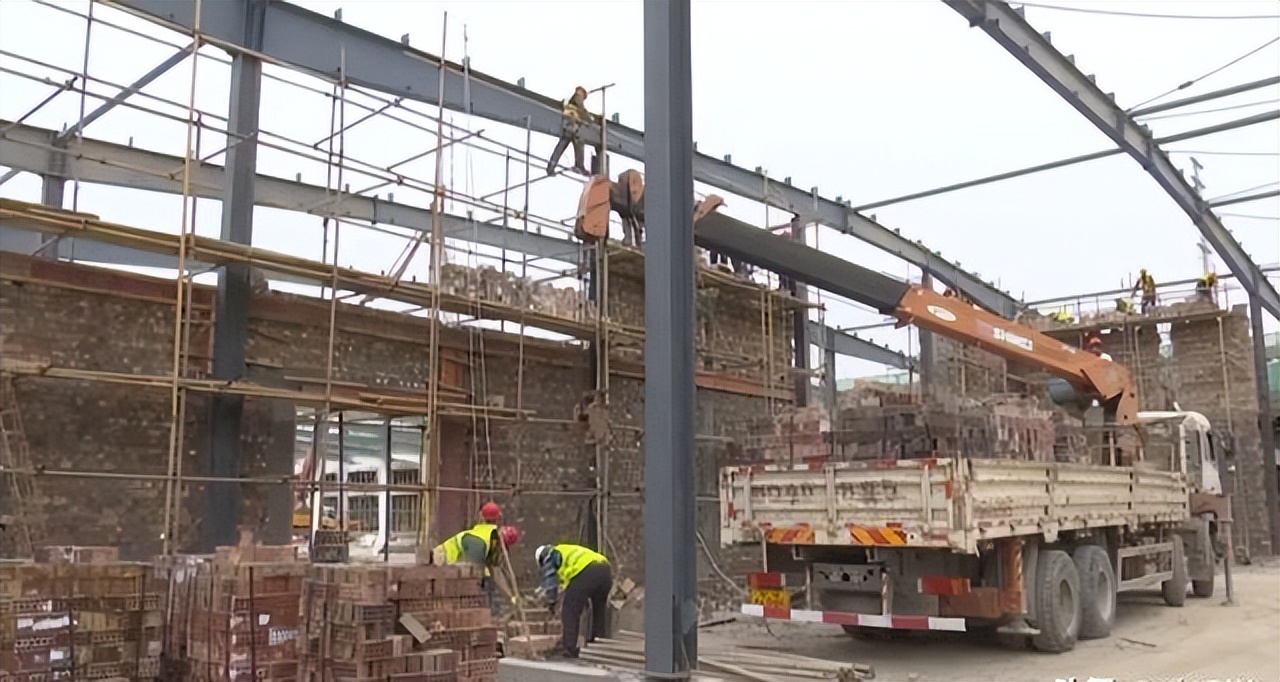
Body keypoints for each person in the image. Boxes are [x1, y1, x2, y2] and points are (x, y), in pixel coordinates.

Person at [534, 543, 612, 658]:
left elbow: (550, 581)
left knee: (569, 610)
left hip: (587, 570)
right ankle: (599, 644)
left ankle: (569, 648)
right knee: (598, 609)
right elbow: (573, 586)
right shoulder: (565, 550)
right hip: (605, 570)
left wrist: (551, 601)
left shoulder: (550, 555)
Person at [433, 523, 521, 615]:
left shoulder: (490, 545)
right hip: (440, 563)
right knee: (483, 581)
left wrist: (510, 596)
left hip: (454, 570)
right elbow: (472, 574)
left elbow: (496, 572)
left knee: (487, 580)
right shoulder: (479, 544)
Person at [547, 86, 594, 176]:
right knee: (572, 145)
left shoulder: (575, 107)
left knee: (567, 146)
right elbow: (588, 118)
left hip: (571, 128)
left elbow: (587, 117)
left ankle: (552, 166)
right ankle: (577, 166)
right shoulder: (574, 106)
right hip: (571, 127)